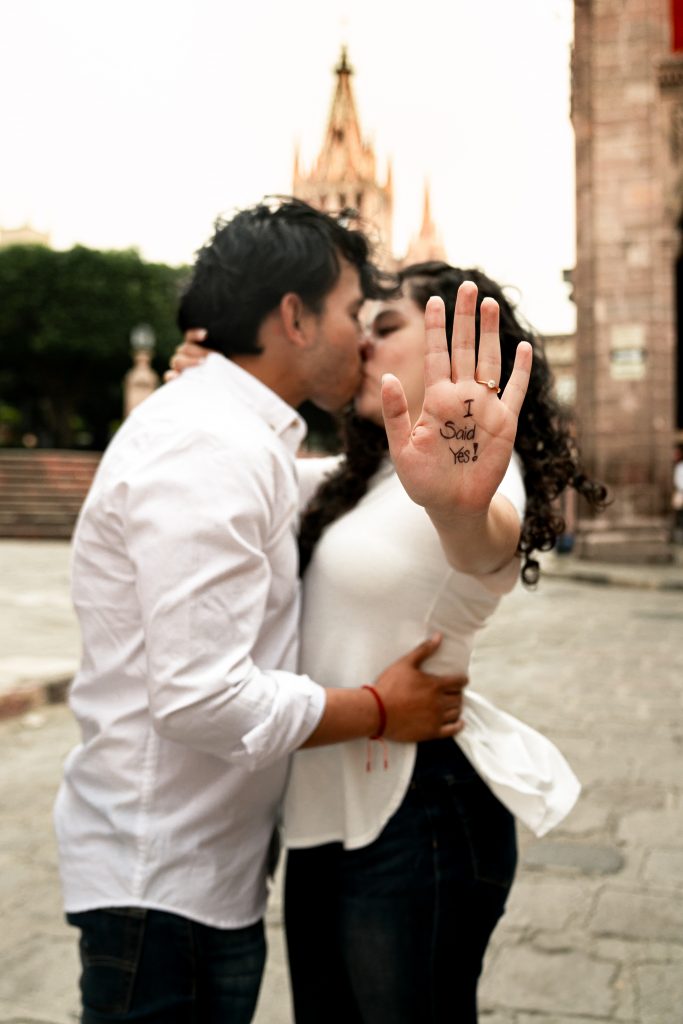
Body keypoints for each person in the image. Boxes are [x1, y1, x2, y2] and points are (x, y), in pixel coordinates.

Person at [53, 201, 468, 1024]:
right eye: (353, 311)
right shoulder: (208, 444)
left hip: (196, 879)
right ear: (293, 317)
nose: (361, 336)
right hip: (164, 891)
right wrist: (379, 710)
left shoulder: (237, 437)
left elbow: (329, 487)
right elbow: (198, 696)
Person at [174, 260, 607, 1023]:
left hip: (418, 809)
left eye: (386, 328)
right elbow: (247, 470)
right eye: (360, 328)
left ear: (461, 353)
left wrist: (464, 505)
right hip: (320, 809)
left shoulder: (467, 478)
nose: (362, 346)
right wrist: (219, 384)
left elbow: (484, 540)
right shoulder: (364, 477)